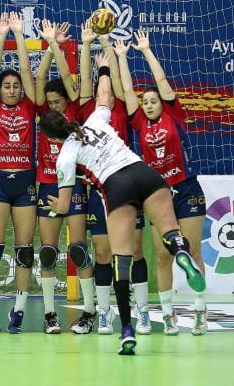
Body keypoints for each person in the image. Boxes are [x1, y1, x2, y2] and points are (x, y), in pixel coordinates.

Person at [40, 51, 205, 355]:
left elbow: (64, 205)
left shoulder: (65, 155)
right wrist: (103, 66)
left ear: (52, 137)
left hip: (116, 188)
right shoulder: (95, 120)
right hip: (145, 173)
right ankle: (182, 253)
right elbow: (105, 93)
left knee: (121, 260)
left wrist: (54, 204)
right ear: (66, 119)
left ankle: (127, 331)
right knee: (171, 232)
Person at [114, 30, 209, 336]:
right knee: (163, 254)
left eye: (154, 100)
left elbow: (163, 83)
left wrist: (145, 50)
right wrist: (122, 57)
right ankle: (167, 315)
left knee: (193, 252)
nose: (149, 104)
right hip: (157, 196)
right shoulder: (139, 121)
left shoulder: (173, 114)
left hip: (187, 189)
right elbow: (128, 91)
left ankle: (199, 312)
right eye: (146, 102)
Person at [79, 25, 152, 336]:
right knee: (104, 252)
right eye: (100, 88)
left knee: (135, 250)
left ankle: (144, 313)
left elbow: (119, 84)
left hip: (125, 185)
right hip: (98, 188)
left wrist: (109, 44)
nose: (103, 92)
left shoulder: (121, 105)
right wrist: (85, 45)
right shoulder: (86, 108)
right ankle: (105, 312)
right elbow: (87, 80)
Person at [34, 20, 97, 334]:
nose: (53, 107)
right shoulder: (41, 111)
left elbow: (72, 82)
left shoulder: (75, 112)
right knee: (47, 252)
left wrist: (60, 49)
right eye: (50, 103)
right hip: (47, 183)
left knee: (78, 249)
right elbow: (42, 78)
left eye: (58, 102)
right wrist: (49, 44)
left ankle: (88, 311)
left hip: (74, 185)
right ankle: (49, 314)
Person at [0, 12, 37, 334]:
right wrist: (0, 37)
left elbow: (27, 70)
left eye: (15, 86)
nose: (12, 90)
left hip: (26, 179)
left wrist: (19, 34)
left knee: (25, 251)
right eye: (7, 86)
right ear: (0, 90)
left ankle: (18, 310)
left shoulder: (29, 106)